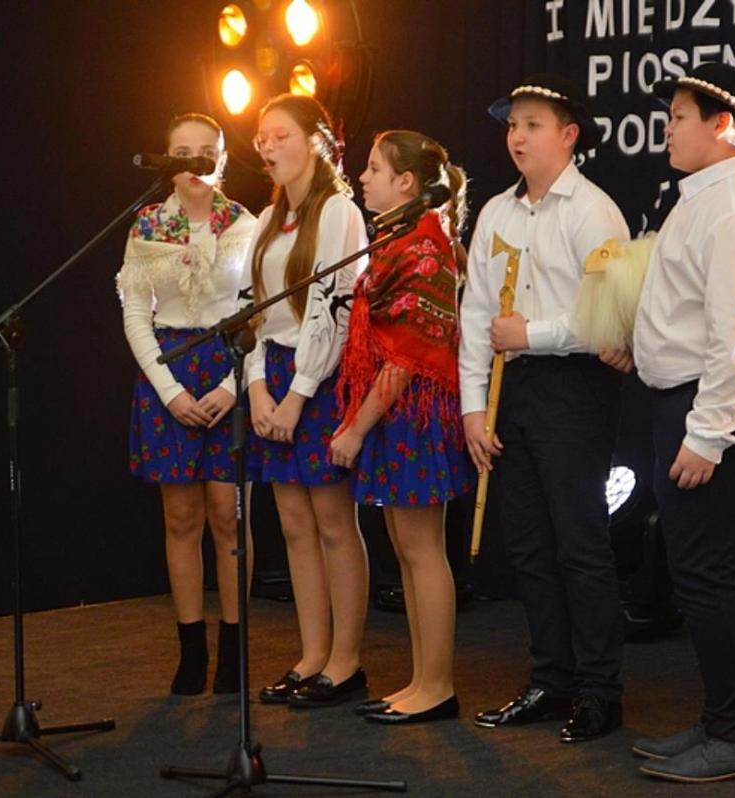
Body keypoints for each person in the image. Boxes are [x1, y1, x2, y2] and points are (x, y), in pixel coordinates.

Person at [631, 62, 735, 783]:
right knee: (722, 570)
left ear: (722, 124)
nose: (667, 130)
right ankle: (725, 720)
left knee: (707, 575)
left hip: (718, 404)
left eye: (678, 117)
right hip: (703, 400)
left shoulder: (733, 209)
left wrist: (707, 434)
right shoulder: (707, 196)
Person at [460, 73, 632, 743]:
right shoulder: (496, 213)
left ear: (568, 136)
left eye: (533, 125)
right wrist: (473, 409)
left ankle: (599, 690)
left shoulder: (594, 211)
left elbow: (606, 319)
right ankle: (550, 678)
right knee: (529, 546)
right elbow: (476, 313)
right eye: (512, 125)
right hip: (512, 387)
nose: (518, 137)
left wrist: (529, 334)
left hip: (574, 387)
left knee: (579, 544)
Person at [330, 129, 474, 725]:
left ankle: (437, 685)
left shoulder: (425, 247)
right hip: (397, 414)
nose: (363, 178)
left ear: (406, 182)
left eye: (373, 168)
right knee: (406, 549)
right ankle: (420, 679)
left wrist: (356, 428)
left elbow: (408, 357)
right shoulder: (398, 239)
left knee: (422, 550)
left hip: (415, 415)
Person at [117, 112, 257, 695]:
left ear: (222, 159)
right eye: (183, 152)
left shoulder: (245, 224)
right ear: (168, 161)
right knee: (181, 517)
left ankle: (233, 650)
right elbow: (135, 314)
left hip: (228, 364)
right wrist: (170, 391)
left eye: (206, 150)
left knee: (229, 515)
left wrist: (229, 385)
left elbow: (259, 314)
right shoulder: (148, 223)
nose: (195, 161)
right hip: (168, 369)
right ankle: (191, 650)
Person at [244, 94, 370, 709]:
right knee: (294, 524)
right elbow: (253, 312)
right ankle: (312, 653)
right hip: (274, 375)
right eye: (261, 138)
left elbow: (331, 310)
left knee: (332, 522)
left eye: (280, 136)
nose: (267, 147)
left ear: (316, 142)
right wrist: (257, 387)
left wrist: (296, 394)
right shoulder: (270, 219)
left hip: (318, 378)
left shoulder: (338, 210)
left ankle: (346, 661)